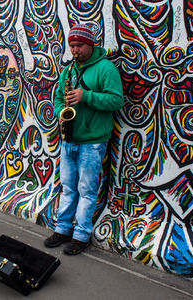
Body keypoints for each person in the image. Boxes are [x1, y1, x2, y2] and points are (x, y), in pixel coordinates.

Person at [44, 23, 124, 255]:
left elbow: (116, 100)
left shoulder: (106, 69)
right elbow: (59, 97)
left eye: (79, 45)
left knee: (87, 189)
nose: (75, 50)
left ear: (90, 44)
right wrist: (61, 112)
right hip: (68, 138)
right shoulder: (68, 71)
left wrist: (85, 95)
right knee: (68, 187)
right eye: (72, 46)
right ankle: (63, 229)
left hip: (92, 141)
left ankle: (81, 235)